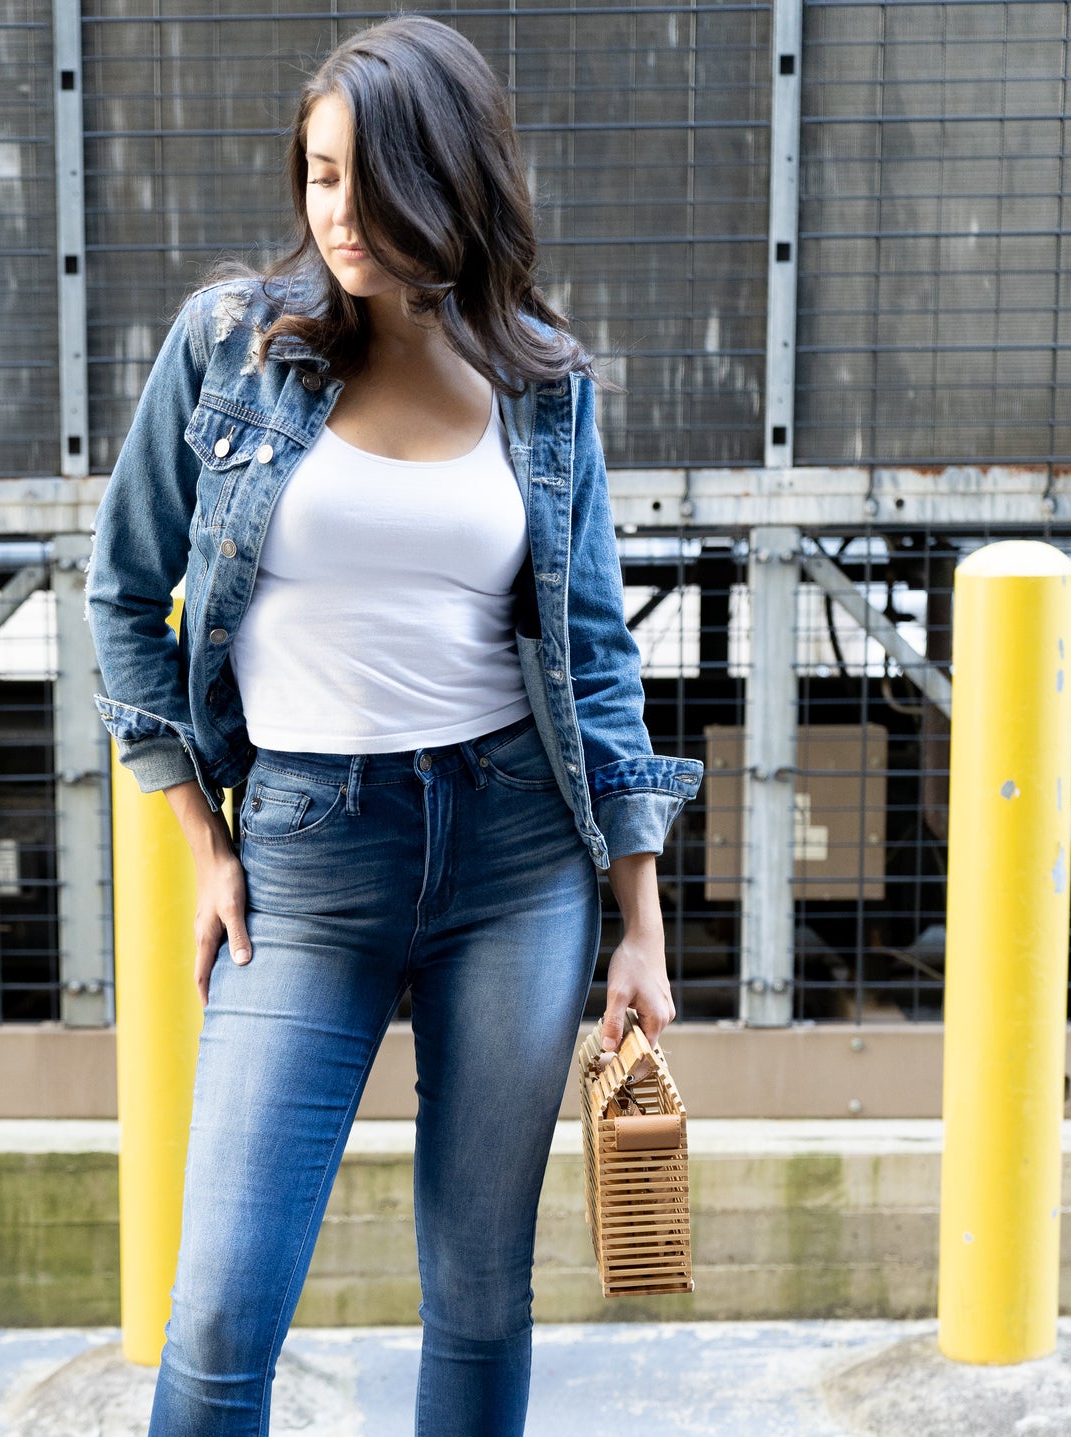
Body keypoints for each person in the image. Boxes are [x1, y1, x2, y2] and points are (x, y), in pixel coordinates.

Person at [85, 15, 703, 1435]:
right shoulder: (229, 344)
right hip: (303, 856)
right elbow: (125, 594)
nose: (337, 216)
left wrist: (640, 923)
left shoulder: (543, 382)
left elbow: (595, 653)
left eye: (367, 181)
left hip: (514, 860)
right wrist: (200, 835)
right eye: (315, 177)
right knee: (225, 1305)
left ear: (451, 182)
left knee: (480, 1291)